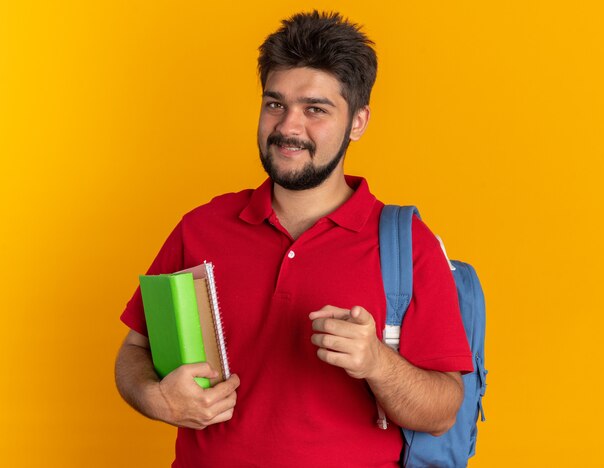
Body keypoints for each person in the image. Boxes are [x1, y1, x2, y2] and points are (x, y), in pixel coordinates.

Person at [115, 10, 473, 467]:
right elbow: (133, 351)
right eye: (275, 104)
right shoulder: (202, 227)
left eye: (315, 109)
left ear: (358, 122)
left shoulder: (407, 245)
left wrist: (376, 363)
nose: (288, 127)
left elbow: (442, 411)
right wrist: (156, 397)